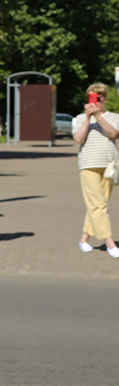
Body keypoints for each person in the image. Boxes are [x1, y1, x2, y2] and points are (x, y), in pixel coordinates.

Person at [71, 82, 119, 257]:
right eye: (91, 98)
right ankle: (109, 242)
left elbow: (114, 134)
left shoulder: (114, 116)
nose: (95, 102)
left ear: (104, 98)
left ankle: (84, 239)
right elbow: (78, 139)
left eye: (98, 98)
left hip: (109, 165)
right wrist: (88, 118)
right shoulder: (80, 118)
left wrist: (98, 116)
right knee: (97, 205)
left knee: (99, 205)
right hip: (88, 164)